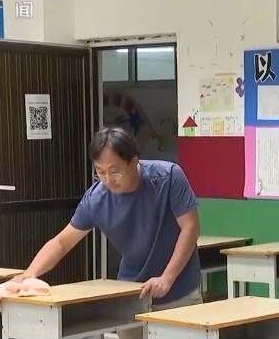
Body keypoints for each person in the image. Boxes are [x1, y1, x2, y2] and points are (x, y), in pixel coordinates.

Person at [12, 127, 202, 339]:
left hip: (178, 290)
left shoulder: (168, 177)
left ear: (134, 161)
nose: (108, 180)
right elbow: (61, 243)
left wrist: (166, 278)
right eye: (100, 172)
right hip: (132, 294)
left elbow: (190, 227)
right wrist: (30, 273)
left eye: (115, 171)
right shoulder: (96, 199)